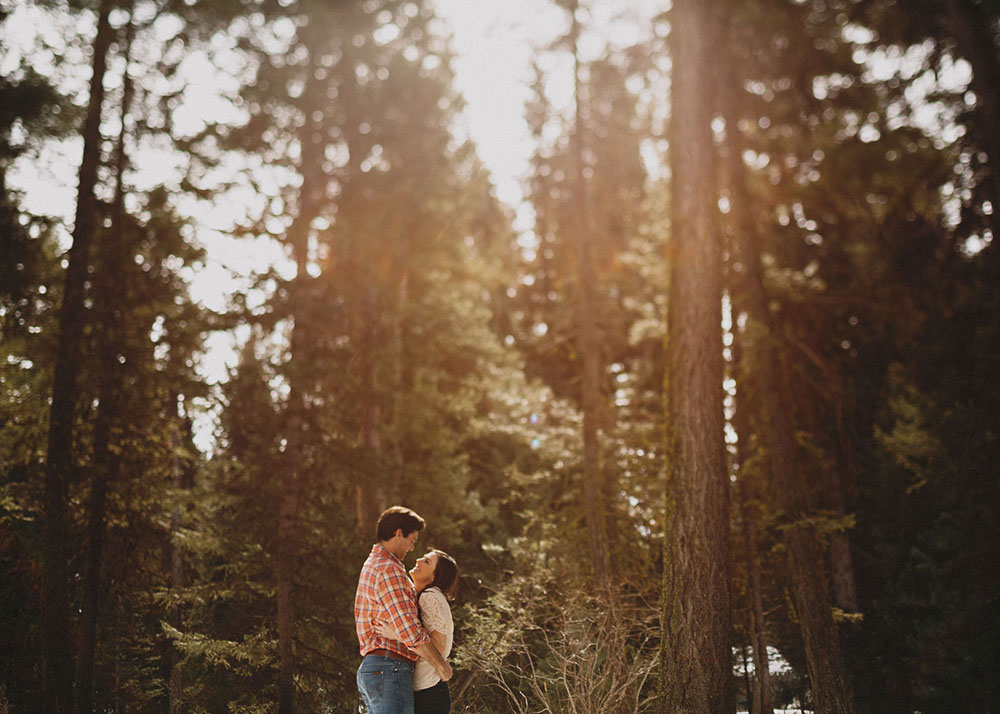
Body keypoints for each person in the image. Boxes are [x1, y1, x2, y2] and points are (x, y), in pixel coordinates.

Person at [355, 506, 453, 714]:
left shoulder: (374, 563)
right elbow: (410, 631)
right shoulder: (390, 569)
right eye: (412, 541)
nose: (411, 549)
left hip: (378, 668)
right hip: (389, 667)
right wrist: (441, 665)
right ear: (399, 534)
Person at [378, 549, 458, 714]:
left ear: (434, 577)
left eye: (427, 562)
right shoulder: (426, 596)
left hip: (429, 693)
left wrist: (397, 634)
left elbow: (439, 647)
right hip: (427, 691)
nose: (419, 560)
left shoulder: (429, 597)